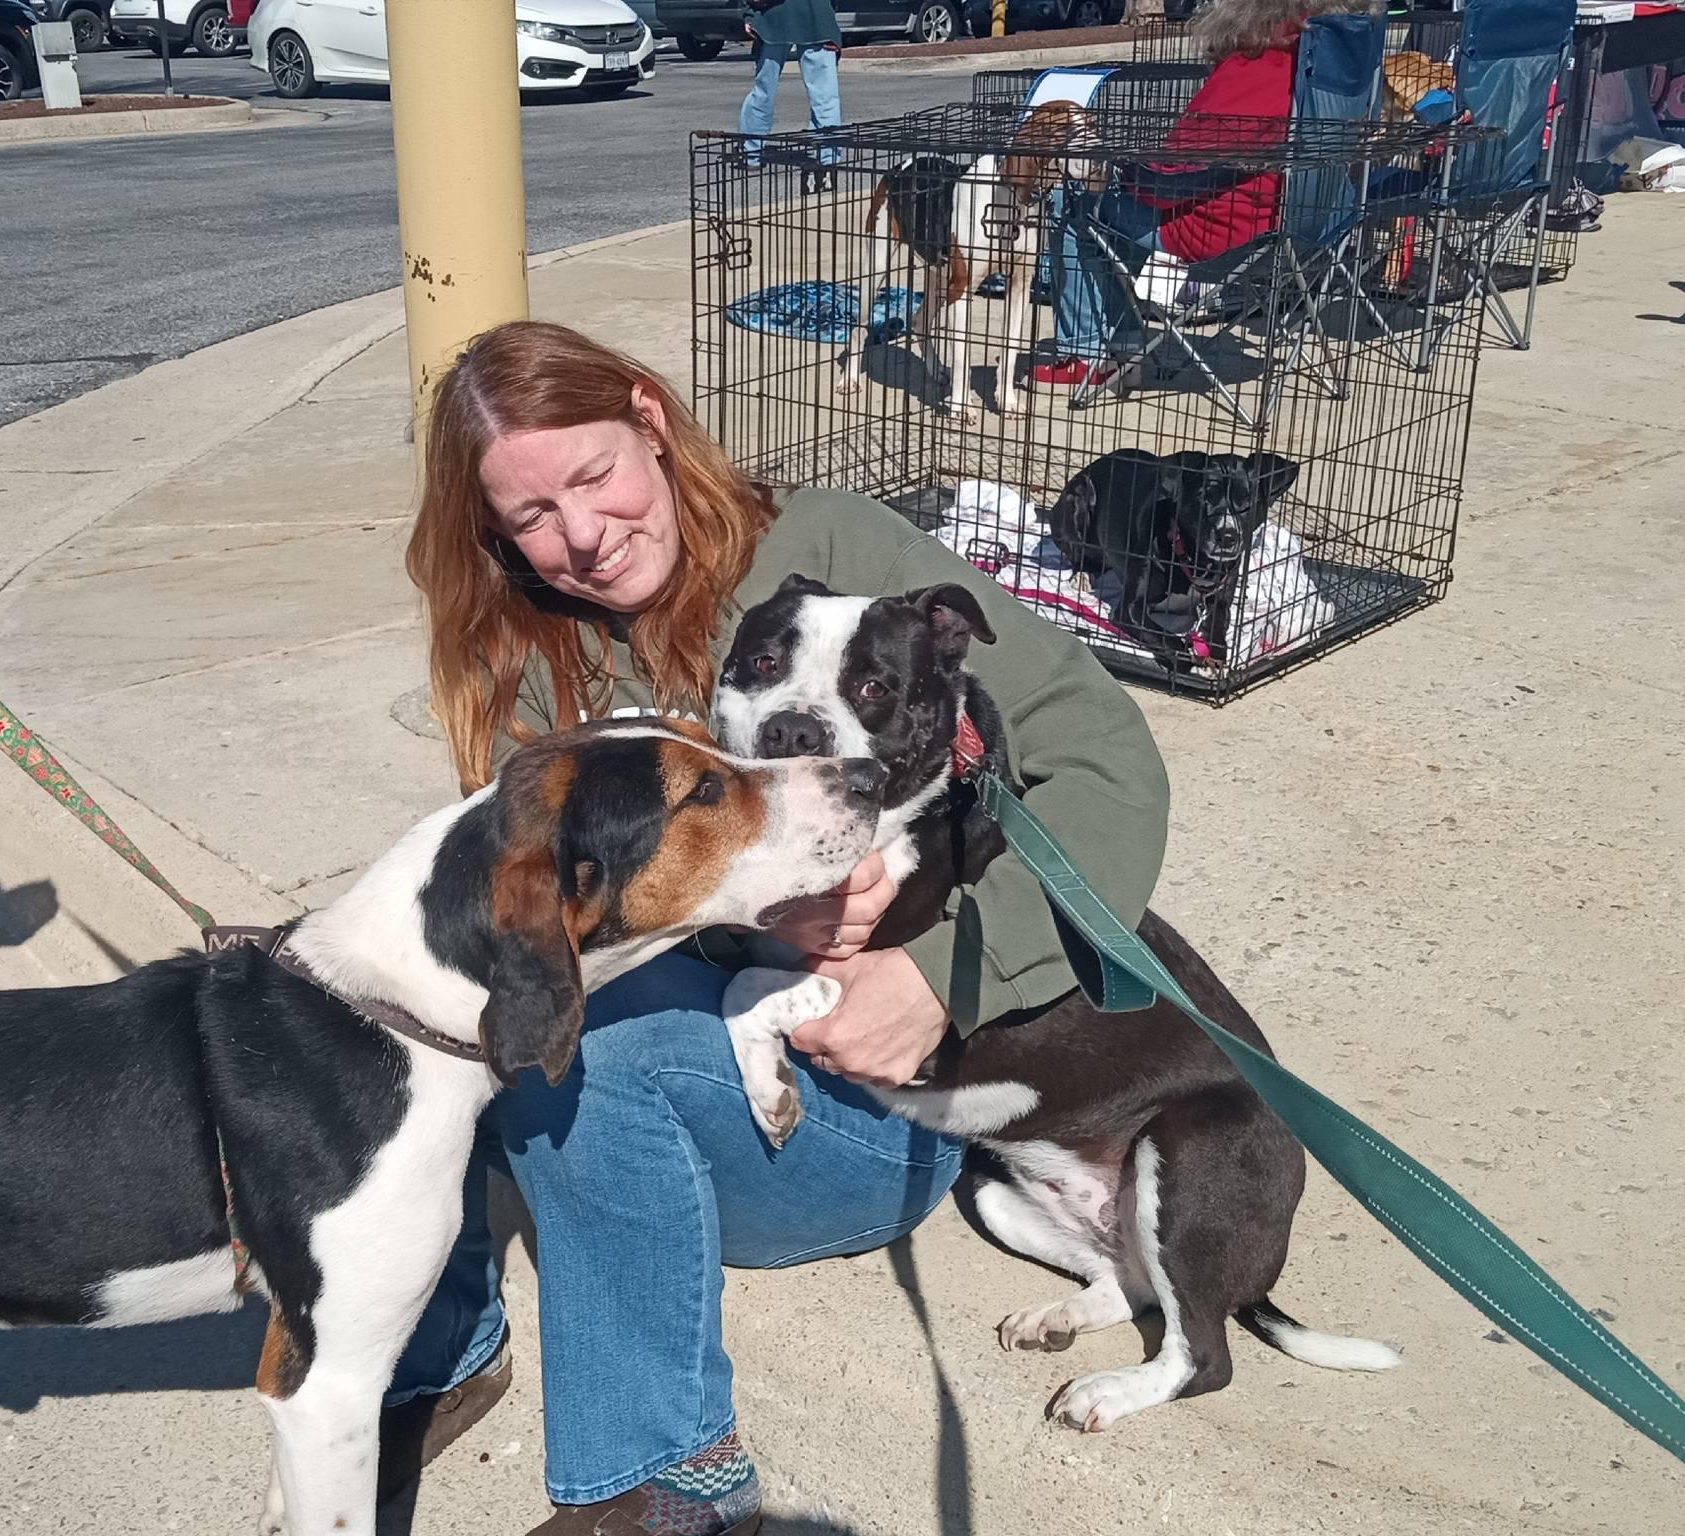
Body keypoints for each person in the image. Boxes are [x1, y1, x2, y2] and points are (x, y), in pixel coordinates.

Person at [389, 320, 1170, 1535]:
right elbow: (547, 925)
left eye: (594, 475)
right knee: (461, 1003)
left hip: (860, 1114)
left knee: (583, 1063)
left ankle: (672, 1481)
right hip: (712, 1043)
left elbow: (1106, 762)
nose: (582, 535)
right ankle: (442, 1348)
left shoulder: (831, 553)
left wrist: (939, 977)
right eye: (532, 516)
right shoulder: (533, 666)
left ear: (650, 421)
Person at [1032, 0, 1376, 389]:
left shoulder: (1258, 61)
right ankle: (1124, 348)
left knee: (1075, 203)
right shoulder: (1334, 56)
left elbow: (1169, 182)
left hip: (1223, 236)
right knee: (1114, 220)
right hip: (1314, 229)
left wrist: (1124, 170)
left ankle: (1087, 353)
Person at [737, 0, 844, 191]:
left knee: (763, 92)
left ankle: (752, 153)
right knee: (825, 97)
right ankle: (827, 162)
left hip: (774, 16)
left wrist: (749, 15)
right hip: (818, 18)